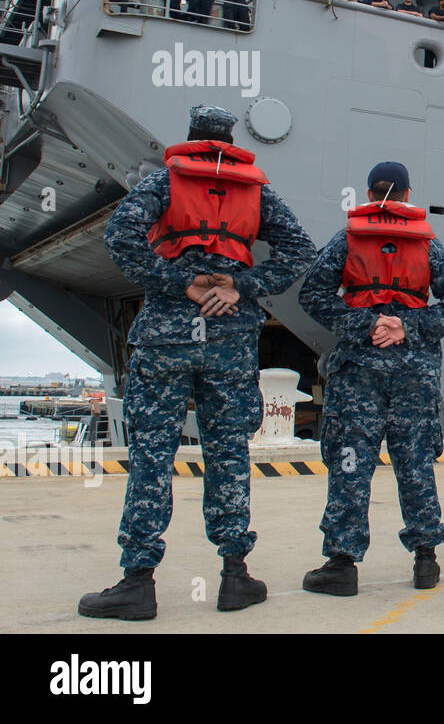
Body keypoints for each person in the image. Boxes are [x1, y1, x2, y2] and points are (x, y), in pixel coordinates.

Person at [78, 105, 315, 621]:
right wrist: (242, 287)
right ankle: (235, 577)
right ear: (230, 141)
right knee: (228, 453)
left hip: (166, 336)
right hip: (230, 337)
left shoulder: (165, 181)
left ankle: (137, 583)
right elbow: (300, 251)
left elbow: (119, 237)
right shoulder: (256, 192)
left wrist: (177, 282)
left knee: (152, 454)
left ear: (189, 138)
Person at [298, 162, 444, 595]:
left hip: (359, 369)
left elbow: (312, 294)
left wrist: (366, 325)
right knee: (415, 463)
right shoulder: (430, 245)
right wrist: (407, 326)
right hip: (415, 371)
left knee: (350, 463)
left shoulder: (349, 238)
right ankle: (425, 559)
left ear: (369, 193)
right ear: (407, 195)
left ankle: (341, 565)